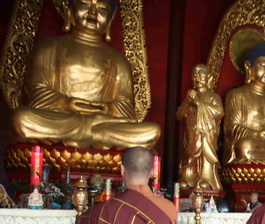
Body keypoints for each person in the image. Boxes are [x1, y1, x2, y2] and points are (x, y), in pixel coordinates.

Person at [12, 0, 160, 150]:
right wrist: (65, 103)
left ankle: (90, 136)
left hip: (102, 122)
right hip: (65, 120)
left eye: (102, 8)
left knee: (152, 131)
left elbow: (127, 108)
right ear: (69, 12)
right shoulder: (48, 47)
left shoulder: (119, 61)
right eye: (84, 4)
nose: (93, 13)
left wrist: (108, 109)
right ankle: (97, 138)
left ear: (109, 21)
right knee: (22, 118)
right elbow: (37, 91)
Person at [177, 64, 224, 190]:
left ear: (208, 77)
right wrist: (188, 101)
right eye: (194, 75)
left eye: (201, 74)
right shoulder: (189, 97)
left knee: (205, 156)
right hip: (192, 134)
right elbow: (179, 115)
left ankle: (206, 179)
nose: (197, 77)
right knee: (190, 156)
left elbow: (219, 112)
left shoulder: (213, 97)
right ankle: (188, 179)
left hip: (206, 134)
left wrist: (198, 103)